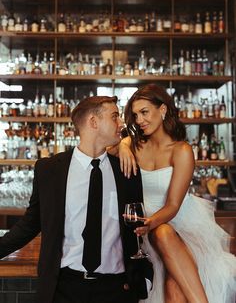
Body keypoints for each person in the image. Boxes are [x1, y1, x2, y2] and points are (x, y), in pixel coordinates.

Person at [0, 95, 153, 303]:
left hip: (117, 289)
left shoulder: (127, 171)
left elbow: (136, 229)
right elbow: (29, 224)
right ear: (93, 122)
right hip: (64, 289)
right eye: (115, 117)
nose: (121, 123)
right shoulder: (49, 170)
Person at [118, 84, 236, 303]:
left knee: (174, 283)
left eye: (145, 112)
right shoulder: (133, 145)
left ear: (162, 110)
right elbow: (108, 148)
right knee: (173, 279)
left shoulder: (181, 151)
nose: (139, 120)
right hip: (146, 230)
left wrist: (149, 224)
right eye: (135, 115)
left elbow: (173, 206)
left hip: (180, 224)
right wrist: (124, 144)